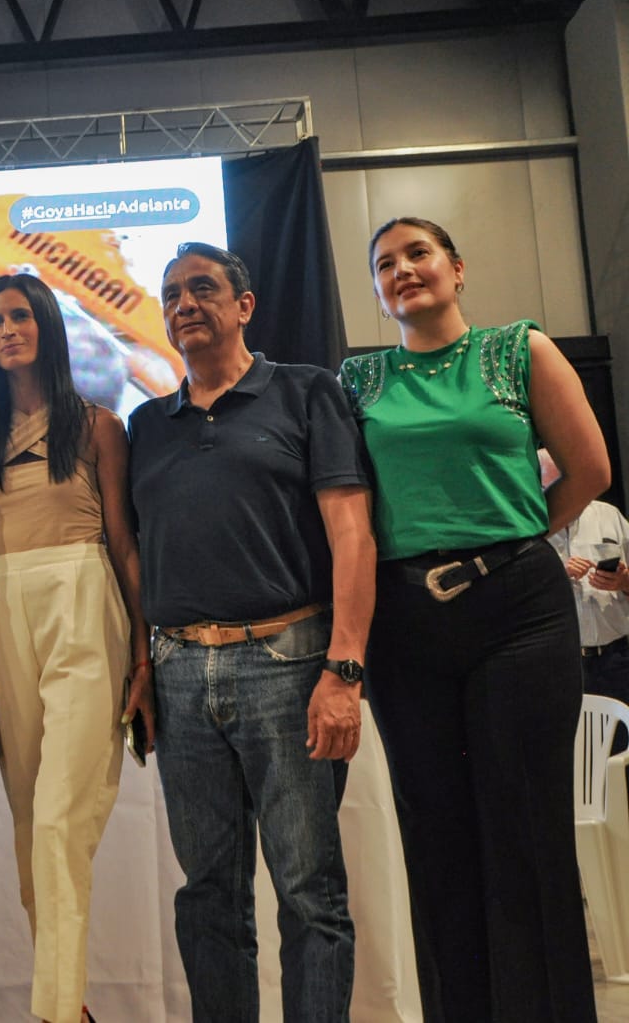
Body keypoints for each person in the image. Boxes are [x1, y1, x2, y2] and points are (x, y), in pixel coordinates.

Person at [340, 217, 607, 1022]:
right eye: (385, 264)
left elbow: (590, 468)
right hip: (405, 626)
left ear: (457, 267)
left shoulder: (520, 349)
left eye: (417, 254)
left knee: (525, 831)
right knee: (437, 835)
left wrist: (516, 537)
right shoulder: (358, 380)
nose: (403, 270)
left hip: (517, 613)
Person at [128, 243, 375, 1023]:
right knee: (208, 895)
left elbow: (353, 537)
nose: (184, 304)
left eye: (203, 288)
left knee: (309, 892)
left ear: (245, 305)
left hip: (290, 663)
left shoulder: (305, 393)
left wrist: (344, 670)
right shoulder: (146, 424)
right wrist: (143, 665)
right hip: (178, 675)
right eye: (171, 294)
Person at [0, 274, 153, 1023]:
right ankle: (67, 1007)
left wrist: (143, 659)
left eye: (20, 315)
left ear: (45, 322)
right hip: (0, 610)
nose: (8, 328)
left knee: (60, 819)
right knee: (26, 821)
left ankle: (55, 1012)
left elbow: (127, 548)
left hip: (84, 600)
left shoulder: (99, 425)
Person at [541, 448, 629, 731]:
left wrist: (623, 582)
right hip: (560, 664)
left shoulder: (607, 515)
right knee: (578, 753)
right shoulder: (530, 532)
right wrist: (558, 575)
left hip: (618, 659)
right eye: (550, 488)